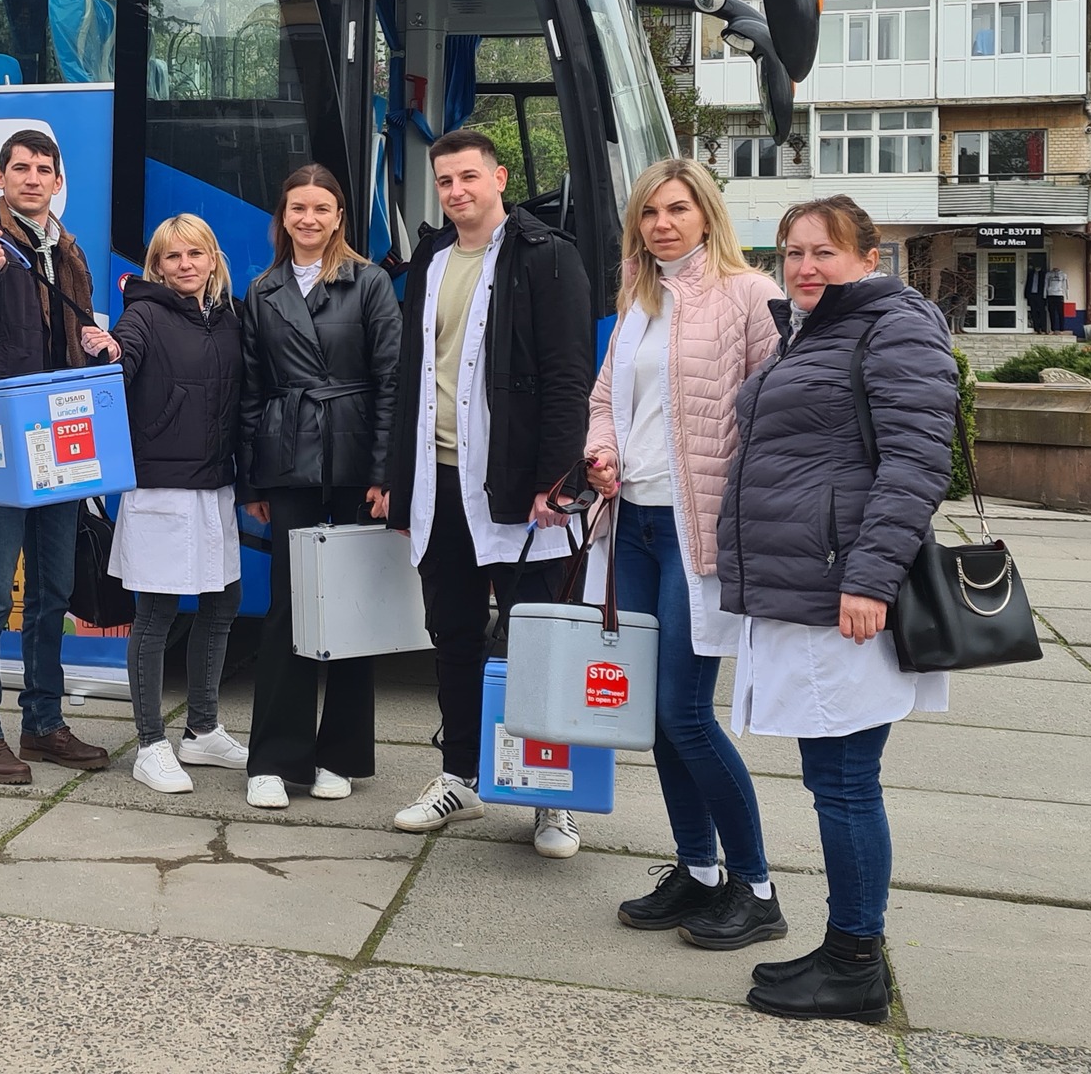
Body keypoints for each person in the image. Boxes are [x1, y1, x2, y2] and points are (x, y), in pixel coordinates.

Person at [721, 194, 957, 1023]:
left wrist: (868, 577)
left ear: (868, 257)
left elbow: (919, 461)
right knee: (835, 779)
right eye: (792, 253)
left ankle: (856, 963)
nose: (805, 267)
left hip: (844, 594)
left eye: (824, 252)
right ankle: (847, 945)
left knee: (848, 782)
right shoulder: (814, 331)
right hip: (811, 586)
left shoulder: (896, 326)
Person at [584, 160, 786, 946]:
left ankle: (757, 889)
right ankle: (699, 873)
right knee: (656, 718)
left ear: (707, 214)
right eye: (649, 214)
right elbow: (606, 400)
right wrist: (602, 453)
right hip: (629, 522)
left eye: (678, 209)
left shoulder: (748, 296)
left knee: (686, 712)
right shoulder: (638, 299)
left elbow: (776, 412)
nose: (662, 223)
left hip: (693, 531)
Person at [383, 128, 594, 855]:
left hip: (518, 488)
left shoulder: (547, 256)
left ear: (499, 177)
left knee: (537, 640)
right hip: (437, 483)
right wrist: (395, 479)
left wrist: (556, 480)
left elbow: (570, 378)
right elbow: (409, 374)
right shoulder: (431, 259)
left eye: (468, 177)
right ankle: (460, 776)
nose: (456, 192)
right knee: (454, 636)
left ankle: (548, 798)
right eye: (444, 181)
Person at [0, 128, 120, 785]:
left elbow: (69, 330)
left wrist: (100, 342)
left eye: (43, 169)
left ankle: (43, 724)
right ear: (0, 178)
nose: (32, 178)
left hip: (63, 434)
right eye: (20, 168)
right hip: (2, 437)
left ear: (56, 181)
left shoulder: (68, 248)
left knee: (53, 590)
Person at [240, 163, 401, 810]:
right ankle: (273, 760)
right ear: (283, 217)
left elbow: (392, 380)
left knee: (350, 610)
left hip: (356, 458)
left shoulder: (370, 284)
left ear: (340, 217)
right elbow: (250, 391)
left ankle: (339, 755)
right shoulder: (262, 290)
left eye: (321, 209)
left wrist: (385, 473)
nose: (308, 219)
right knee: (287, 606)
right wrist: (253, 476)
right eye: (296, 208)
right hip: (289, 460)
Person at [110, 214, 249, 794]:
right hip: (161, 488)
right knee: (157, 615)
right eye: (172, 257)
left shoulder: (231, 319)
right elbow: (120, 362)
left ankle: (203, 729)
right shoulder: (143, 314)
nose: (185, 265)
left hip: (215, 486)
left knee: (222, 606)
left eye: (195, 253)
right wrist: (108, 351)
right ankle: (149, 745)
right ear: (156, 267)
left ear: (213, 258)